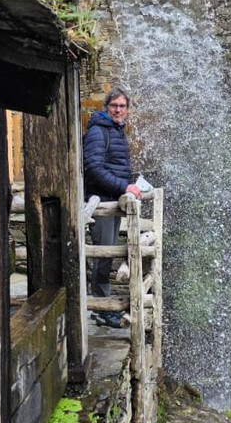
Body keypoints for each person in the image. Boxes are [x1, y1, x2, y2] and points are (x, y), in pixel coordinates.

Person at [83, 86, 142, 328]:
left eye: (122, 106)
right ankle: (101, 307)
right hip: (101, 201)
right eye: (114, 106)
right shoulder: (99, 131)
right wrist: (124, 186)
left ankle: (102, 306)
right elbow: (94, 168)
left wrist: (124, 187)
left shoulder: (116, 131)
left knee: (107, 252)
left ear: (127, 110)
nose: (118, 110)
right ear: (106, 107)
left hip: (111, 198)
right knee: (103, 253)